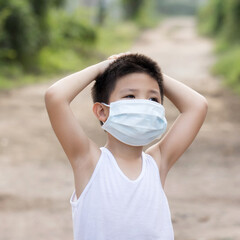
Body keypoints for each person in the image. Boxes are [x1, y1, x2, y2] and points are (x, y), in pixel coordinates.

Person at [44, 52, 208, 240]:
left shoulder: (157, 163)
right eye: (130, 96)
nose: (143, 105)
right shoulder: (89, 162)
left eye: (152, 100)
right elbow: (55, 96)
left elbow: (197, 105)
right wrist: (103, 67)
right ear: (102, 111)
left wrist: (150, 71)